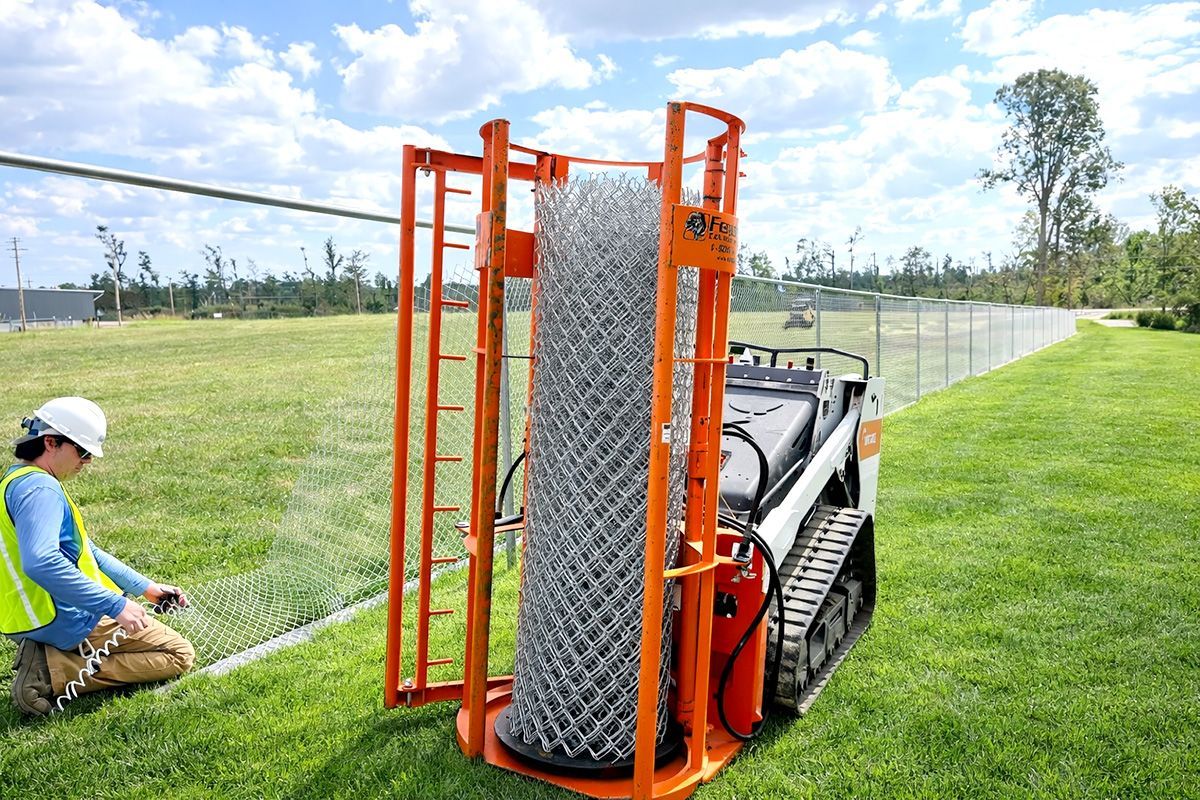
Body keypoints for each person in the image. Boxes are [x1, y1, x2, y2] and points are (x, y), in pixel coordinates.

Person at [2, 397, 195, 716]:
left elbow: (86, 551)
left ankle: (47, 653)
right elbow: (42, 561)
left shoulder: (15, 481)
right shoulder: (42, 491)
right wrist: (116, 605)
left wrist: (146, 588)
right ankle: (53, 671)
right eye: (82, 450)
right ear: (51, 442)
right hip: (69, 616)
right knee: (178, 654)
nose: (87, 461)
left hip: (27, 616)